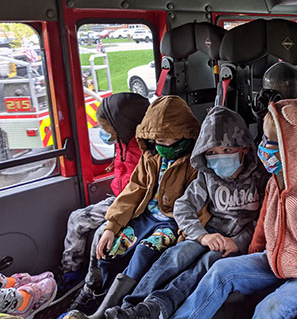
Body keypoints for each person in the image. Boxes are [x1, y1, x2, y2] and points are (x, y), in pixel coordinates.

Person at [171, 98, 297, 319]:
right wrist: (251, 256)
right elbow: (264, 225)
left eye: (273, 141)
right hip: (272, 261)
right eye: (265, 139)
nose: (263, 146)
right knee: (220, 271)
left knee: (269, 310)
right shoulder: (276, 181)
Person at [104, 106, 267, 319]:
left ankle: (156, 306)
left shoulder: (261, 179)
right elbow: (183, 207)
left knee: (206, 264)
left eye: (227, 150)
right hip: (208, 233)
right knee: (176, 255)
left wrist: (238, 242)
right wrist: (202, 235)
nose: (219, 157)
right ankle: (132, 307)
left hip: (236, 242)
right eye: (212, 153)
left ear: (244, 148)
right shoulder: (207, 177)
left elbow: (266, 220)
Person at [63, 96, 209, 319]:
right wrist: (112, 225)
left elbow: (195, 204)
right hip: (146, 215)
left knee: (144, 251)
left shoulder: (193, 164)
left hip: (172, 222)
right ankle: (101, 294)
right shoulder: (151, 157)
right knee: (112, 247)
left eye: (166, 139)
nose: (160, 145)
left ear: (184, 134)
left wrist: (187, 236)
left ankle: (112, 307)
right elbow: (134, 190)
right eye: (156, 139)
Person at [60, 93, 149, 292]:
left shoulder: (146, 149)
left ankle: (93, 288)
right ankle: (70, 275)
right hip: (118, 199)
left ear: (123, 126)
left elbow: (140, 189)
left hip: (137, 205)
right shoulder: (122, 143)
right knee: (77, 218)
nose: (107, 135)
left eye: (109, 130)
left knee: (102, 234)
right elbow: (119, 170)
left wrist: (116, 216)